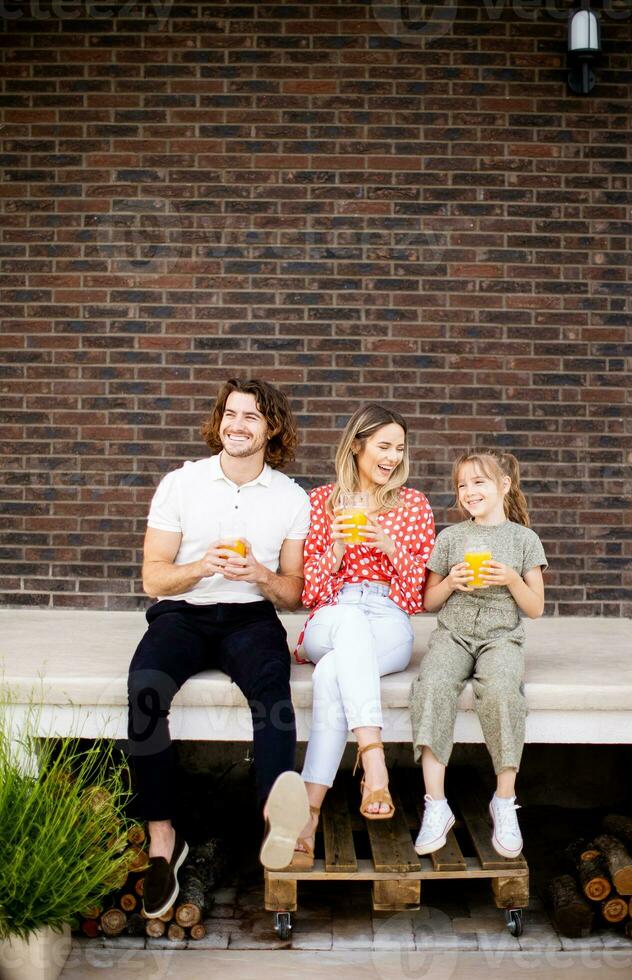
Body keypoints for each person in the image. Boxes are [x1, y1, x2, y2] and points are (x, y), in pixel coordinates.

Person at [127, 378, 312, 917]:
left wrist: (258, 572)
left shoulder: (290, 497)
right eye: (230, 414)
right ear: (219, 421)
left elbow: (294, 593)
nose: (237, 424)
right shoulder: (181, 484)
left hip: (250, 618)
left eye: (251, 417)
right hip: (182, 615)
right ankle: (164, 838)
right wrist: (201, 566)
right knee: (144, 691)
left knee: (273, 694)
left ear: (271, 428)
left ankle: (273, 826)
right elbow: (153, 578)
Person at [290, 404, 436, 867]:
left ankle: (309, 812)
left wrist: (385, 544)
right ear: (357, 445)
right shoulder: (319, 502)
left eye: (399, 448)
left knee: (334, 672)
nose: (392, 457)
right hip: (334, 613)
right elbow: (307, 592)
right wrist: (337, 547)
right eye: (383, 446)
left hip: (389, 615)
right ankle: (373, 759)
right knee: (347, 626)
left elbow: (418, 594)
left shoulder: (413, 505)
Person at [410, 448, 547, 860]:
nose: (468, 491)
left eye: (479, 482)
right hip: (453, 635)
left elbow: (535, 608)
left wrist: (509, 579)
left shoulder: (524, 539)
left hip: (501, 637)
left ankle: (504, 800)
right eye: (462, 485)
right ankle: (436, 804)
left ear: (504, 485)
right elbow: (429, 602)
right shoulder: (450, 537)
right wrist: (450, 581)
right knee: (432, 685)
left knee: (504, 692)